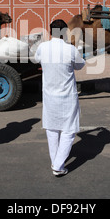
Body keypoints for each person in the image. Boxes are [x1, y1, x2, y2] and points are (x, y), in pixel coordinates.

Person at [34, 19, 85, 176]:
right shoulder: (70, 50)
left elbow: (36, 60)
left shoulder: (42, 47)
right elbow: (80, 65)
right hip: (67, 97)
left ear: (50, 32)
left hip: (49, 96)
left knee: (52, 129)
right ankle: (58, 165)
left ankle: (55, 161)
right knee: (68, 130)